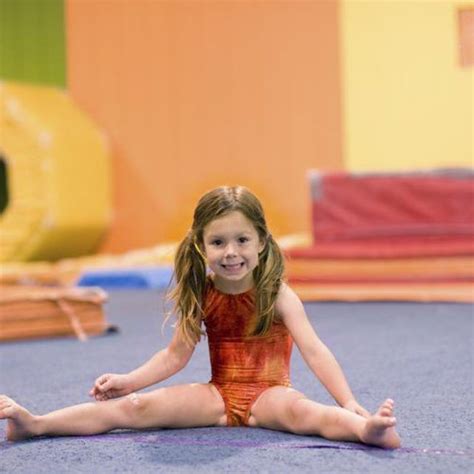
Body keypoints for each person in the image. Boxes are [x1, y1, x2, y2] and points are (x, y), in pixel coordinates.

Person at [0, 185, 400, 448]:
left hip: (269, 394)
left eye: (242, 240)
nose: (231, 252)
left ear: (261, 242)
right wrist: (129, 381)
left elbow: (314, 350)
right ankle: (36, 424)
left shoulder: (276, 293)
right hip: (217, 396)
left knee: (303, 413)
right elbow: (174, 356)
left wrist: (347, 401)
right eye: (218, 241)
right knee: (135, 410)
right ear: (200, 244)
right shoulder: (202, 292)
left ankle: (366, 430)